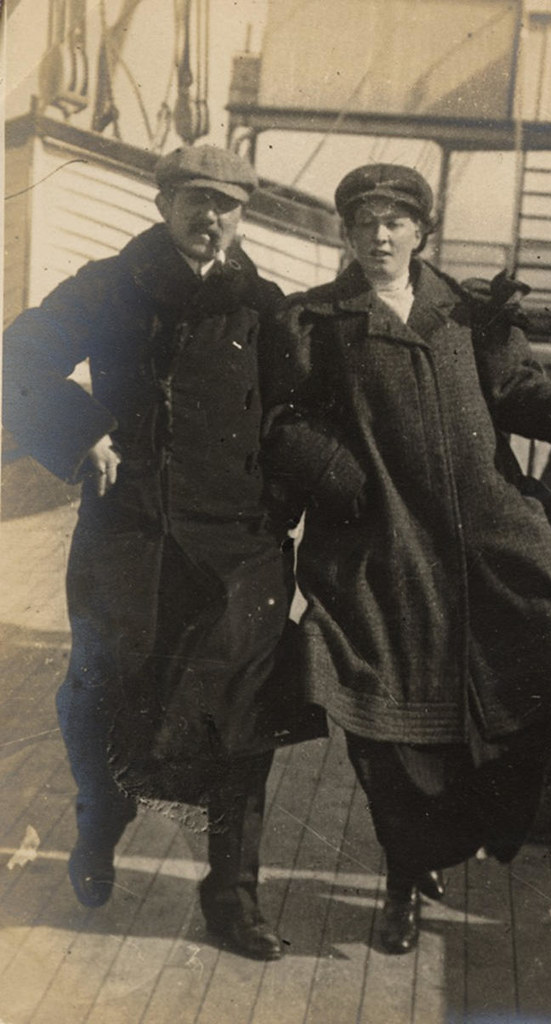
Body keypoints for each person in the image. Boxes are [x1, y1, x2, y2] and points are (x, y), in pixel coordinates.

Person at [261, 163, 551, 955]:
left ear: (421, 231)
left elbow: (519, 388)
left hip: (489, 544)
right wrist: (334, 470)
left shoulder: (469, 316)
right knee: (390, 740)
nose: (379, 236)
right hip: (384, 550)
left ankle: (463, 837)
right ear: (347, 233)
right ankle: (404, 882)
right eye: (364, 221)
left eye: (395, 221)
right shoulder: (315, 322)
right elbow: (283, 420)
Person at [2, 144, 317, 961]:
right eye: (193, 200)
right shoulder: (112, 285)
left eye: (227, 205)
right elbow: (18, 356)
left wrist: (285, 503)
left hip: (238, 549)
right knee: (102, 690)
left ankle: (231, 896)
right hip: (129, 533)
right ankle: (99, 823)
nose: (210, 218)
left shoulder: (264, 306)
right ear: (163, 204)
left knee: (242, 714)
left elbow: (299, 415)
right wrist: (81, 431)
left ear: (243, 216)